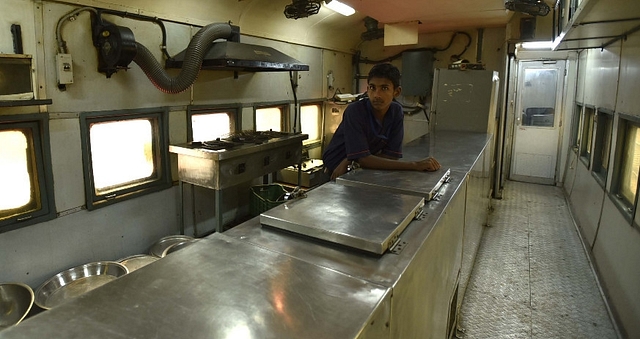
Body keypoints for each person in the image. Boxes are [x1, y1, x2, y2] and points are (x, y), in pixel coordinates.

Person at [322, 63, 440, 180]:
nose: (376, 95)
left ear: (396, 92)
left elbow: (391, 155)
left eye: (384, 88)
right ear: (367, 89)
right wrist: (414, 165)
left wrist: (352, 159)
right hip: (334, 171)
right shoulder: (356, 111)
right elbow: (363, 159)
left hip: (359, 171)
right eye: (373, 88)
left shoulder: (396, 111)